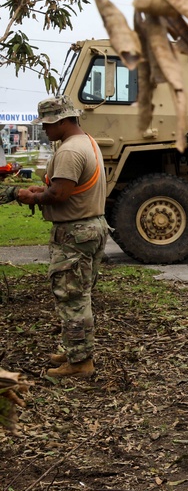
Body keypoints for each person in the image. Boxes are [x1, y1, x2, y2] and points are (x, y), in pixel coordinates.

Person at [16, 95, 109, 378]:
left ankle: (80, 363)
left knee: (72, 298)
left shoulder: (69, 151)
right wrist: (41, 189)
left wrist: (27, 197)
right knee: (80, 294)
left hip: (75, 233)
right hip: (92, 226)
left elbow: (58, 195)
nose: (44, 129)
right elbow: (65, 187)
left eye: (47, 124)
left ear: (62, 121)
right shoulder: (87, 142)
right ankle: (76, 349)